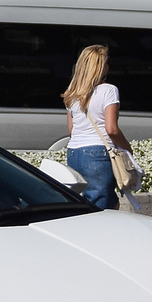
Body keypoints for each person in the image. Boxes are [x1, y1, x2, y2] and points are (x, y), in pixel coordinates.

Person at [62, 44, 131, 210]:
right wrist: (128, 148)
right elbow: (111, 129)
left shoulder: (72, 94)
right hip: (97, 154)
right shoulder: (109, 90)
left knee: (106, 202)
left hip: (74, 153)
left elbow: (71, 131)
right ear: (102, 67)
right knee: (99, 208)